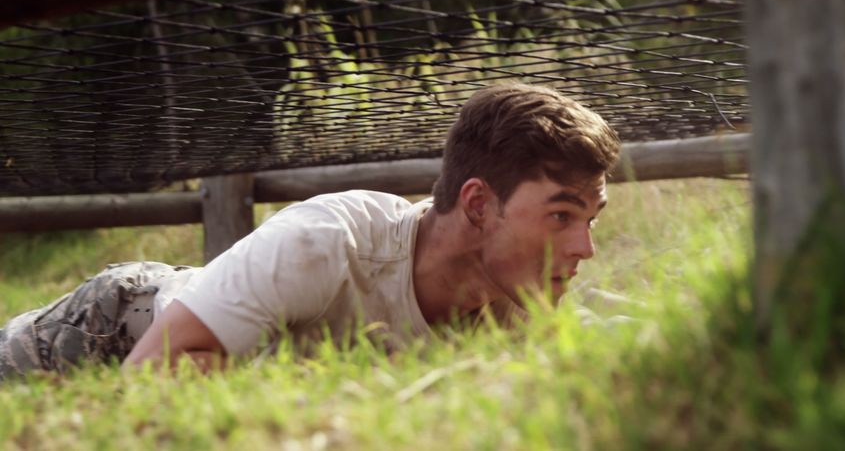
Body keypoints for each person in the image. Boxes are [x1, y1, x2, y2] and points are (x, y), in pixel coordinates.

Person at [0, 83, 621, 380]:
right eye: (562, 216)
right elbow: (151, 370)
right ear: (480, 205)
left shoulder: (525, 306)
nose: (583, 248)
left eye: (590, 221)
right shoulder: (328, 240)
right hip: (116, 324)